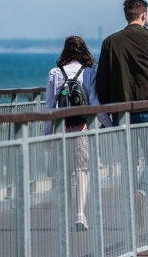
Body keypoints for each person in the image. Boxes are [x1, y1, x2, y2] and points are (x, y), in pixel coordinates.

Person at [45, 35, 112, 231]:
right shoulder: (88, 73)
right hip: (81, 129)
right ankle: (80, 214)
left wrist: (47, 135)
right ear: (83, 51)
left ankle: (64, 217)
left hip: (61, 130)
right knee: (82, 172)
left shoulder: (55, 73)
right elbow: (95, 103)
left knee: (64, 173)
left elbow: (50, 107)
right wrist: (108, 124)